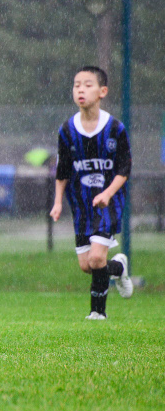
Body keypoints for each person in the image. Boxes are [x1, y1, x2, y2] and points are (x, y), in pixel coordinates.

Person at [49, 66, 133, 320]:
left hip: (109, 202)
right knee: (87, 265)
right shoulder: (67, 130)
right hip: (82, 205)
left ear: (102, 91)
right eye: (76, 85)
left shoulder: (115, 129)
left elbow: (124, 167)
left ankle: (98, 313)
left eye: (87, 84)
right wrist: (57, 203)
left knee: (97, 258)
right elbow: (63, 169)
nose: (80, 89)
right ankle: (118, 268)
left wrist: (108, 193)